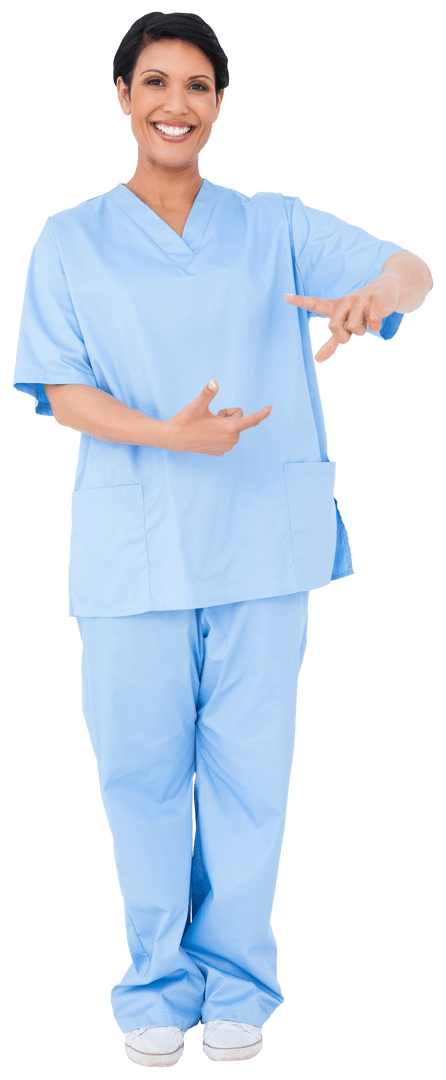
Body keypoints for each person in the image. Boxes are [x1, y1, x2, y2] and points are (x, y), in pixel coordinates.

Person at [11, 9, 433, 1069]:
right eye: (154, 82)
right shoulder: (70, 237)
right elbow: (58, 392)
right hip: (135, 547)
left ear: (217, 104)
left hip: (258, 545)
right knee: (140, 777)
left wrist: (373, 295)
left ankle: (239, 984)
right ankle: (154, 985)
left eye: (196, 86)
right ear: (121, 96)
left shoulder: (274, 223)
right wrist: (167, 434)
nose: (174, 103)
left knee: (249, 775)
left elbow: (407, 269)